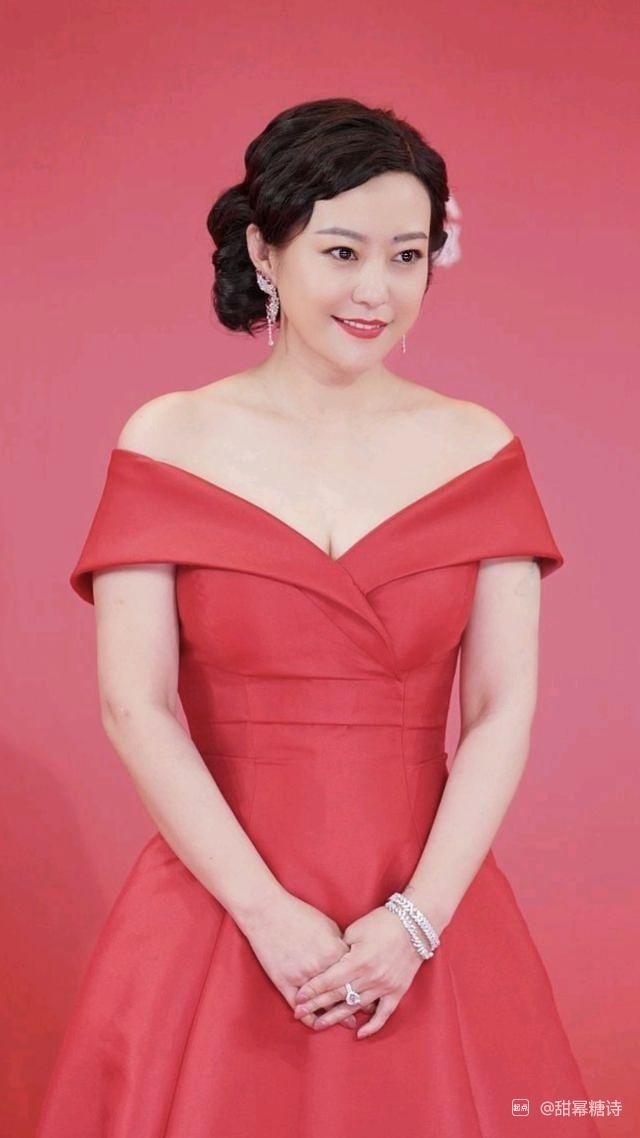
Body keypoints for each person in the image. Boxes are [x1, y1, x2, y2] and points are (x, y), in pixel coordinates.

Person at [37, 97, 601, 1137]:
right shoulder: (169, 437)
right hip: (218, 899)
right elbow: (135, 706)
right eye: (342, 252)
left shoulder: (479, 448)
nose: (375, 290)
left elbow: (500, 710)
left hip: (424, 906)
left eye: (407, 255)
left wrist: (416, 922)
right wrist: (265, 914)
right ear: (266, 249)